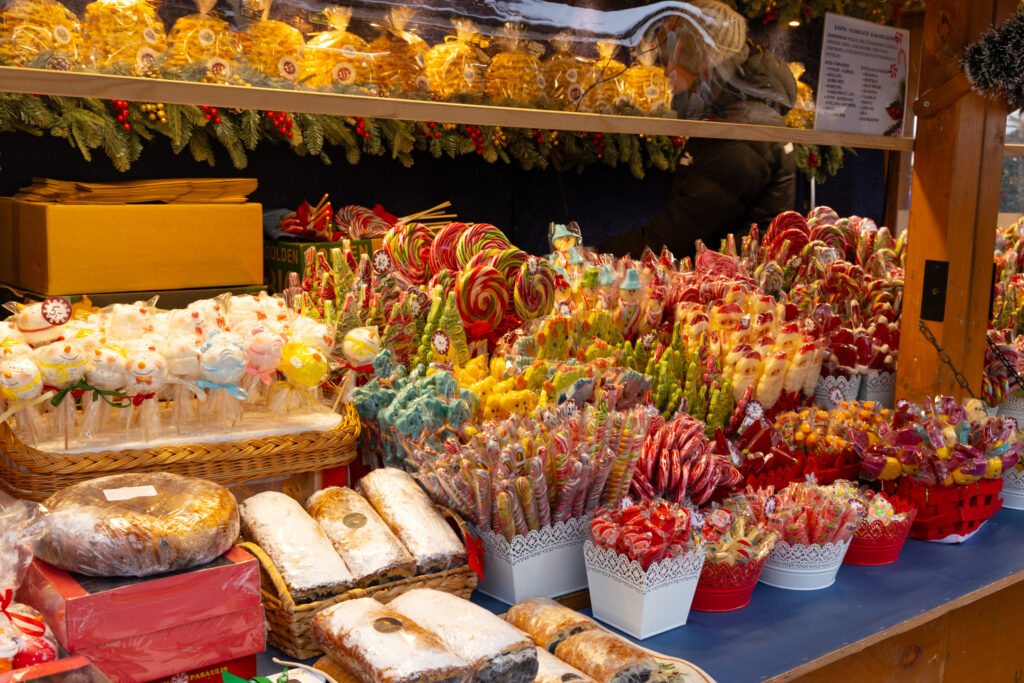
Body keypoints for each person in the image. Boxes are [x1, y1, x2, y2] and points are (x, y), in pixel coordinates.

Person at [599, 0, 798, 260]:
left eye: (672, 60)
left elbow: (676, 239)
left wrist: (595, 255)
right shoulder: (731, 114)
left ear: (701, 64)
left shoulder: (743, 130)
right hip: (723, 275)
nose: (666, 71)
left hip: (733, 282)